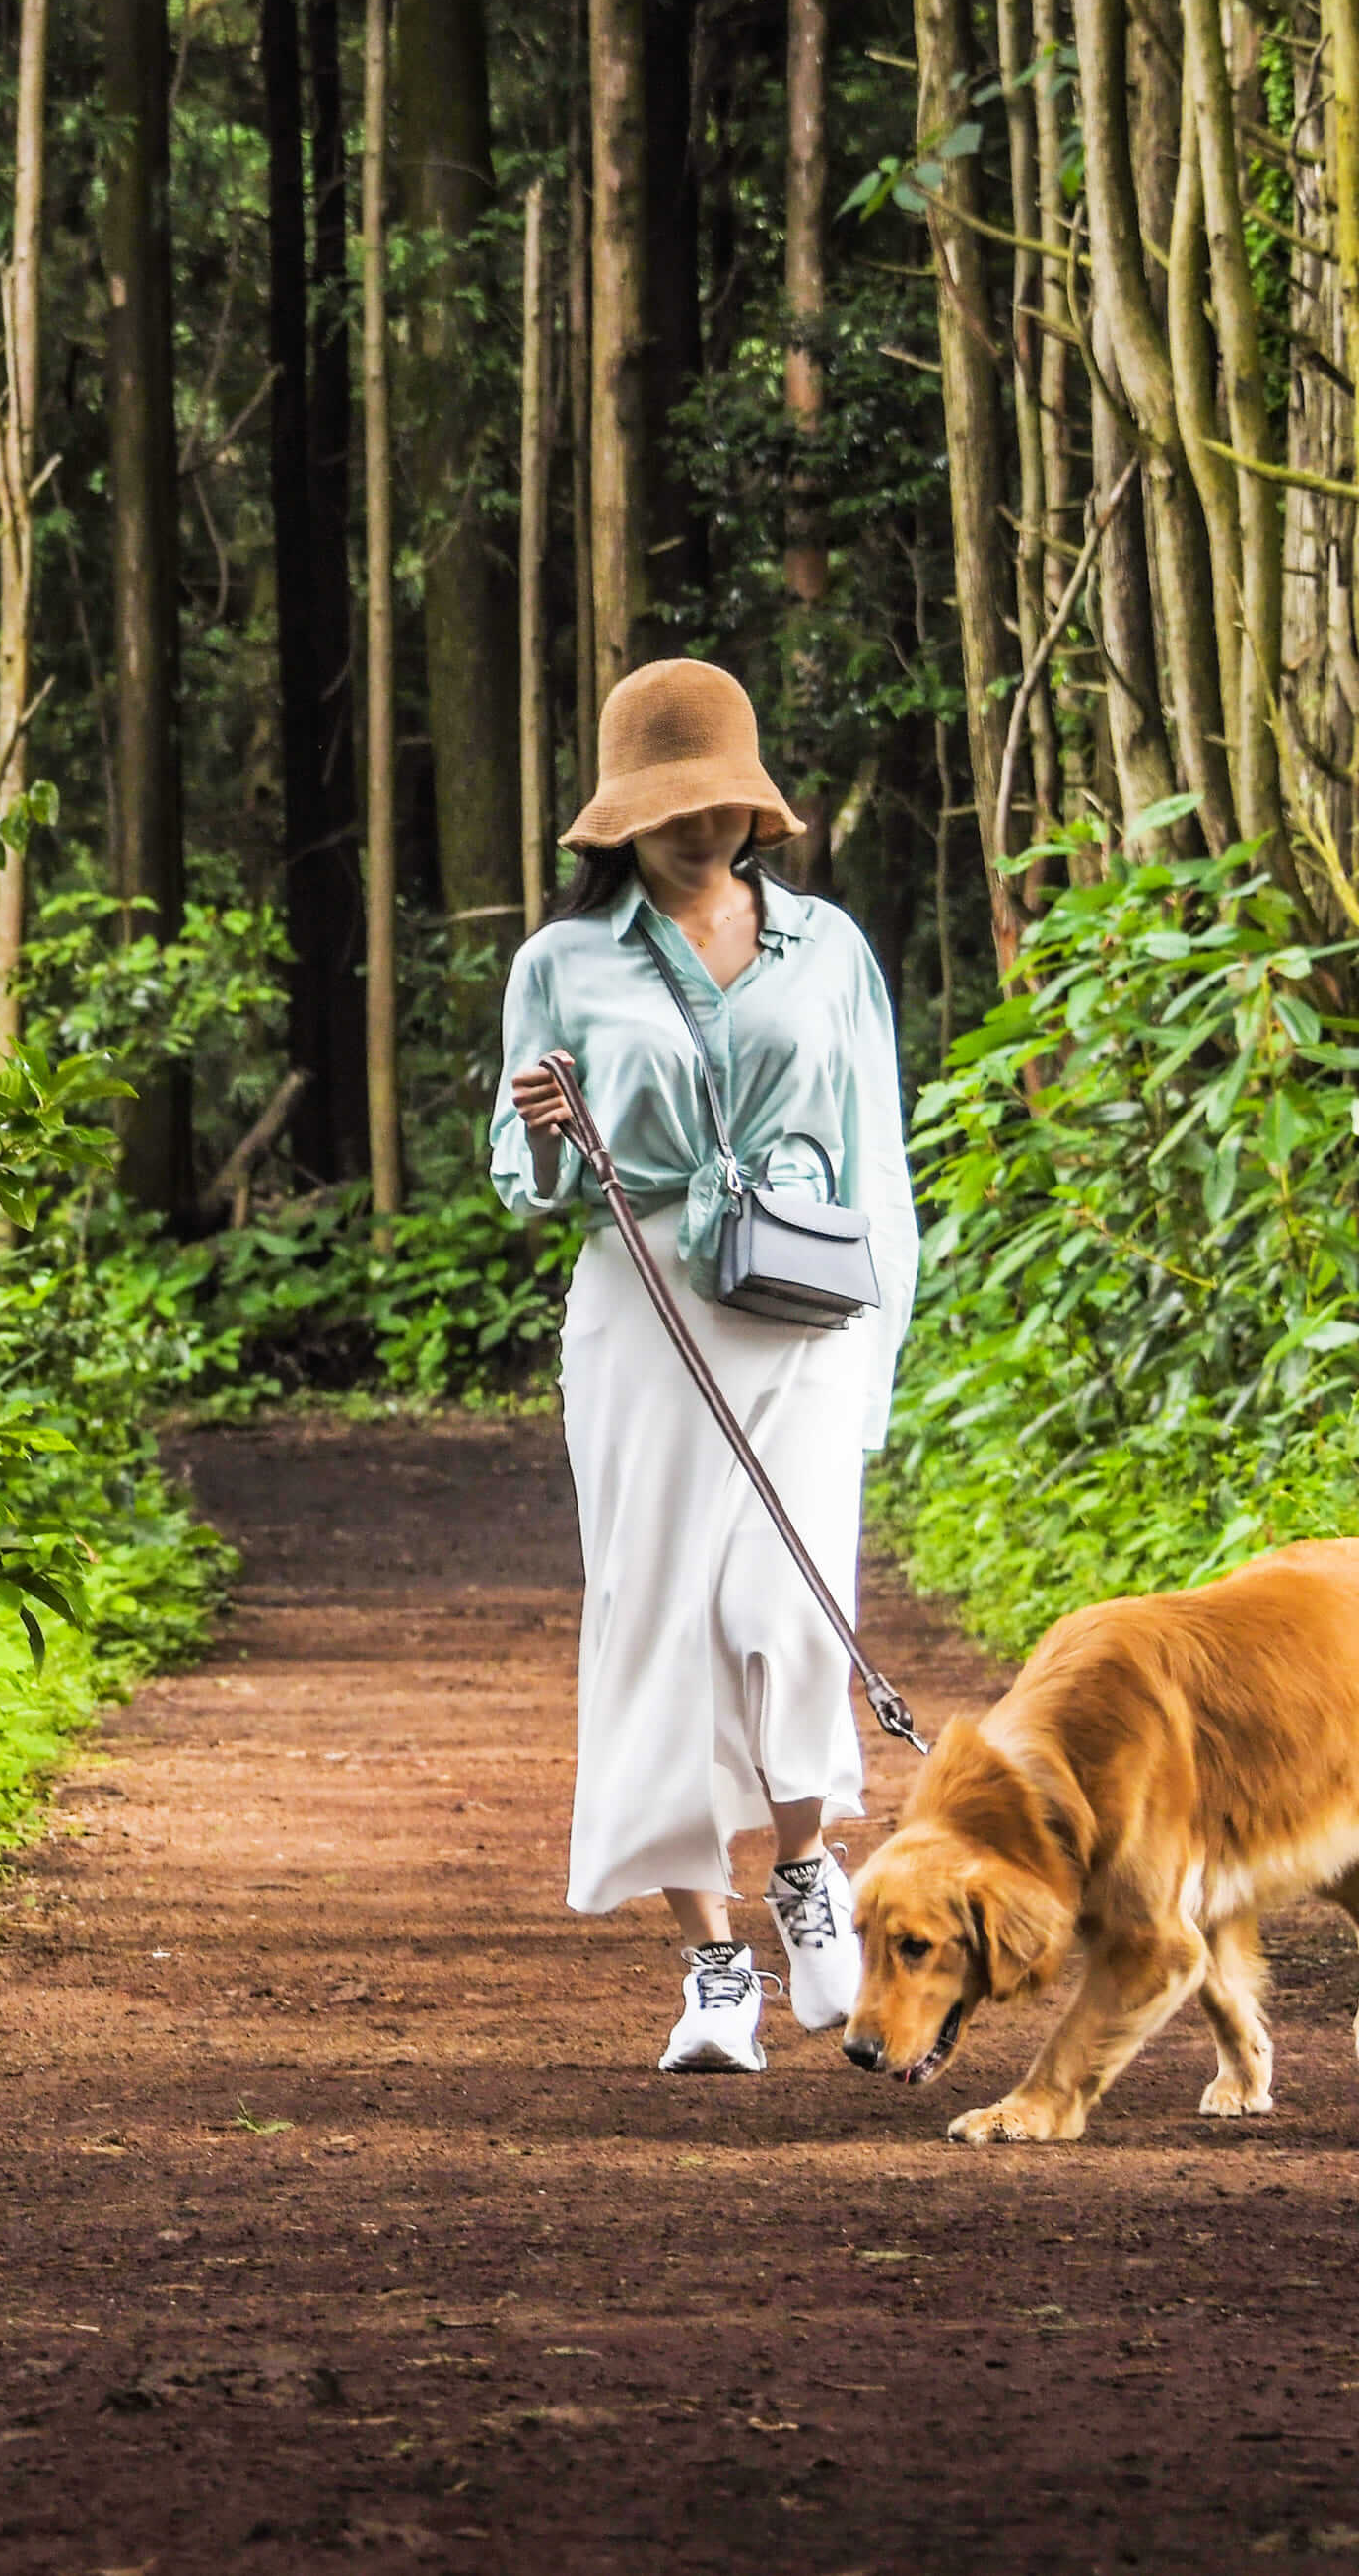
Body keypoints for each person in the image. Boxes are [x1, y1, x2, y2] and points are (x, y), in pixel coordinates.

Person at [490, 658, 921, 2074]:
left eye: (719, 805)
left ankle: (804, 1874)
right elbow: (523, 1179)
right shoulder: (561, 964)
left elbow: (877, 1165)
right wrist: (547, 1128)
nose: (698, 830)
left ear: (753, 806)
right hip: (644, 1312)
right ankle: (712, 1965)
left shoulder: (827, 947)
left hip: (805, 1306)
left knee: (788, 1611)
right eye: (670, 809)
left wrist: (875, 1364)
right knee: (661, 1624)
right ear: (622, 817)